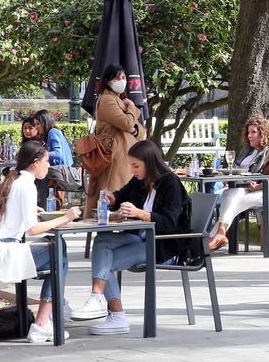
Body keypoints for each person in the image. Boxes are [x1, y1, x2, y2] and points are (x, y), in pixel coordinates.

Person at [72, 140, 192, 334]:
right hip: (141, 237)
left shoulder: (171, 183)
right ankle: (98, 300)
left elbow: (170, 222)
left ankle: (114, 314)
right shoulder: (140, 180)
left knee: (105, 262)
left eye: (136, 166)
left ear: (150, 163)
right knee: (102, 241)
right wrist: (113, 198)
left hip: (163, 245)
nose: (133, 170)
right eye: (131, 166)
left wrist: (140, 213)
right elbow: (122, 195)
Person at [0, 141, 82, 343]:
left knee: (57, 252)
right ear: (35, 163)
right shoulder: (27, 186)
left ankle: (46, 318)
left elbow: (13, 214)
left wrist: (30, 210)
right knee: (58, 253)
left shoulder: (14, 181)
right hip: (8, 255)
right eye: (46, 162)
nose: (48, 166)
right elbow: (32, 229)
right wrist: (66, 217)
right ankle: (43, 322)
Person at [85, 64, 145, 217]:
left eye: (124, 77)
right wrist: (131, 108)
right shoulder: (107, 100)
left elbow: (140, 130)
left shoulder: (119, 100)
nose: (121, 81)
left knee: (122, 192)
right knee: (113, 194)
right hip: (114, 156)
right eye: (117, 78)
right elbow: (126, 123)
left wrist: (133, 128)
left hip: (125, 154)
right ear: (107, 81)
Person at [207, 115, 269, 250]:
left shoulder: (266, 152)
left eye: (254, 132)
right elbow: (234, 167)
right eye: (248, 132)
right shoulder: (246, 150)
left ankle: (208, 238)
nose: (249, 135)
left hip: (247, 187)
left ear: (263, 134)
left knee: (217, 198)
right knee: (206, 191)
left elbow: (258, 174)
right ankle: (211, 236)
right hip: (233, 184)